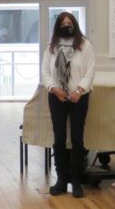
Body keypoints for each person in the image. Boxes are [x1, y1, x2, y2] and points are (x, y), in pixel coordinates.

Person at [41, 12, 95, 198]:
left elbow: (90, 71)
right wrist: (54, 89)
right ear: (57, 26)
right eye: (63, 23)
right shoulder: (51, 47)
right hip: (57, 96)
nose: (66, 25)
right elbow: (45, 73)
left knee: (78, 138)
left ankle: (77, 181)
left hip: (79, 97)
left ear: (75, 25)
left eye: (69, 22)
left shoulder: (85, 45)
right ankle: (61, 180)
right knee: (59, 138)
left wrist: (79, 91)